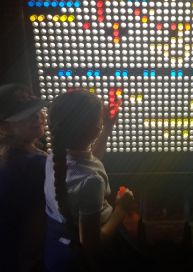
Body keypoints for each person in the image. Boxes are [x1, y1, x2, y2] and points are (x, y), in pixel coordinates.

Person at [43, 88, 137, 271]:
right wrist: (121, 209)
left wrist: (106, 129)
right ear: (95, 130)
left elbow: (88, 161)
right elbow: (92, 245)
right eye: (100, 121)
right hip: (83, 259)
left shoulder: (53, 158)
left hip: (57, 248)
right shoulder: (92, 182)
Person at [0, 83, 47, 272]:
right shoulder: (35, 165)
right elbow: (35, 228)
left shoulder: (7, 154)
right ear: (4, 127)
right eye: (24, 115)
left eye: (36, 110)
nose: (36, 116)